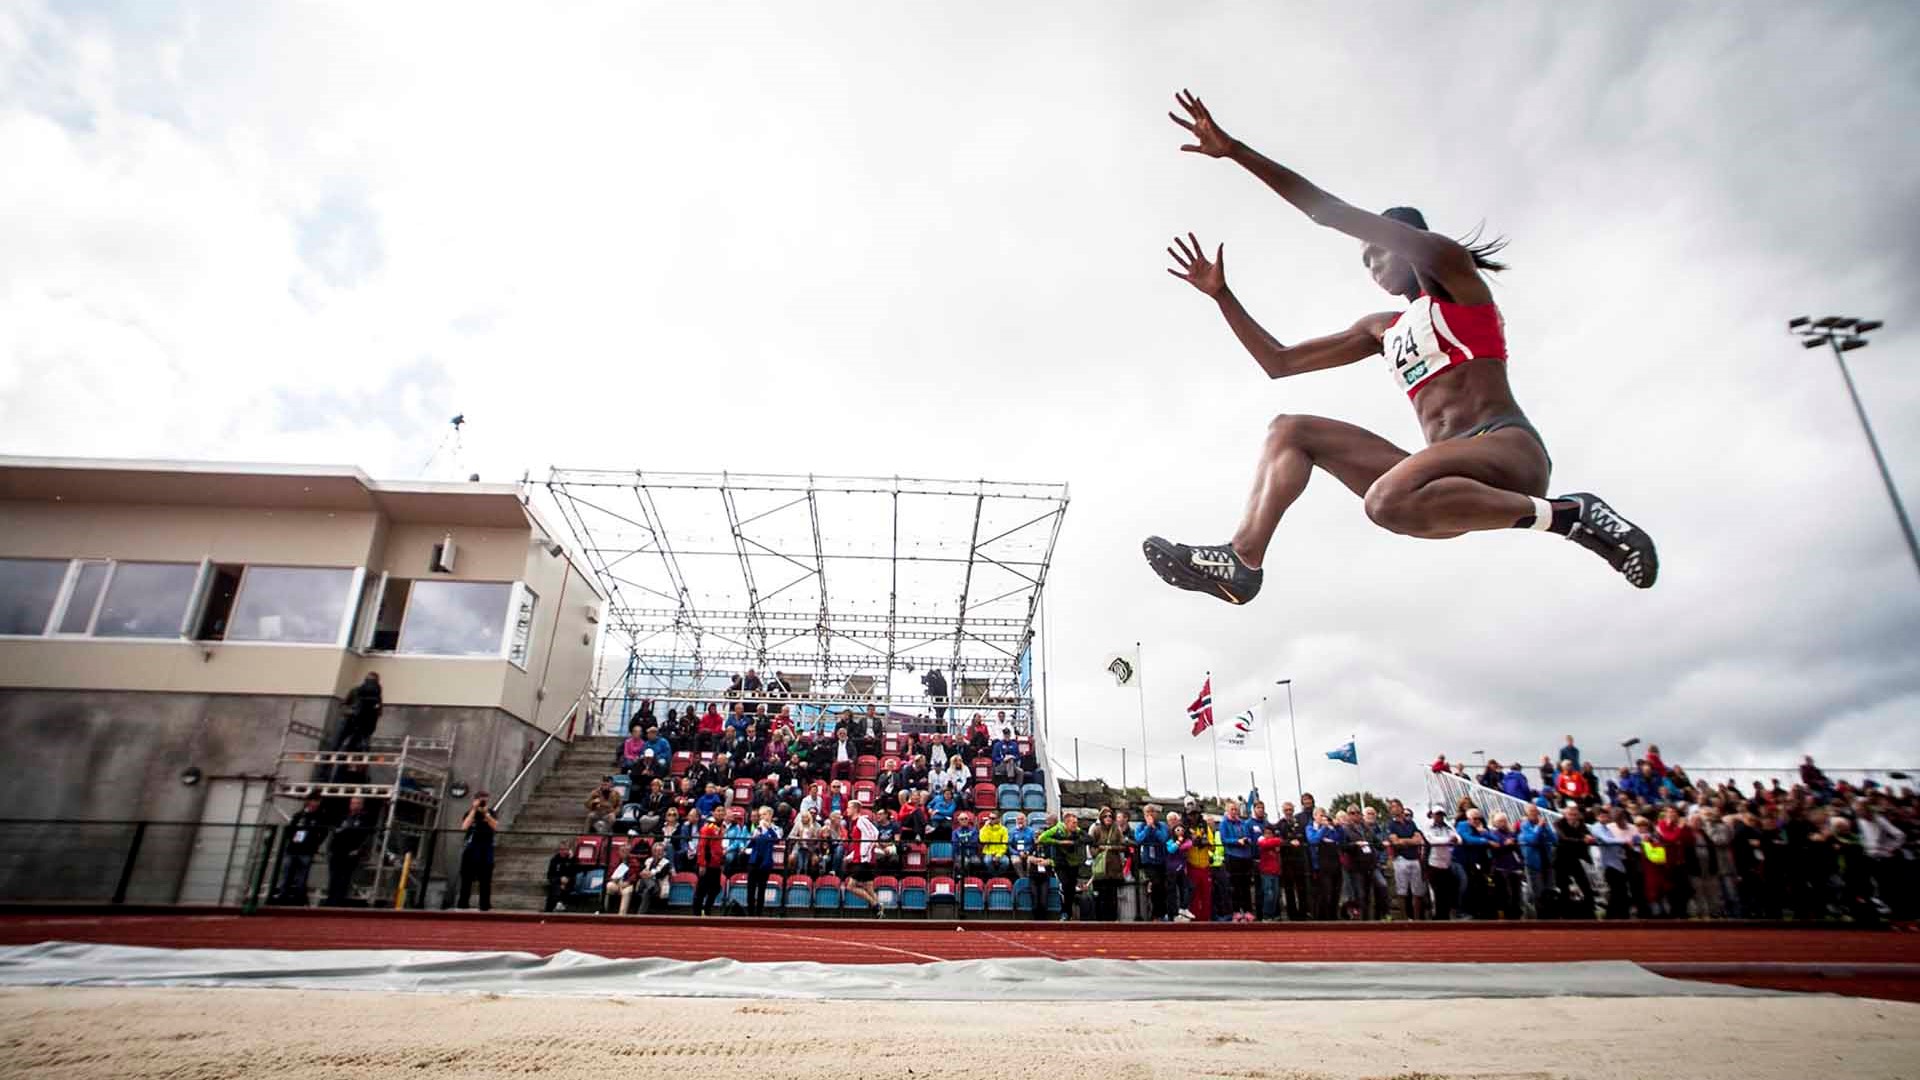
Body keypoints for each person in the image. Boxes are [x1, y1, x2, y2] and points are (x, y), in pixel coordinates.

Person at [1143, 90, 1657, 605]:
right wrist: (1222, 296)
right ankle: (1242, 560)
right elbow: (1278, 362)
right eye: (1363, 261)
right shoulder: (1381, 328)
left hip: (1505, 451)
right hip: (1443, 481)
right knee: (1291, 431)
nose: (1370, 265)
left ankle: (1571, 515)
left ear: (1409, 242)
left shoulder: (1454, 279)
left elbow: (1327, 213)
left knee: (1384, 500)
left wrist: (1234, 151)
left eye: (1376, 251)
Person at [271, 795, 327, 905]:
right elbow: (289, 829)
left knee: (302, 876)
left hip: (306, 851)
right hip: (292, 849)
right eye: (313, 801)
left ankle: (298, 899)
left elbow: (324, 833)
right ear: (308, 801)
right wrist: (293, 839)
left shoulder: (320, 817)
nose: (314, 804)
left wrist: (315, 844)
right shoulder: (299, 815)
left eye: (317, 801)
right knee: (286, 873)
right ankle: (282, 897)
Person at [325, 796, 376, 906]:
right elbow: (333, 833)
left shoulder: (365, 819)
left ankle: (338, 901)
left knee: (344, 878)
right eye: (353, 803)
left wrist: (359, 850)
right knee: (333, 877)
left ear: (362, 805)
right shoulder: (343, 817)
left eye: (357, 803)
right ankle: (330, 900)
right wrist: (329, 849)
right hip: (337, 852)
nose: (355, 805)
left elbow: (368, 836)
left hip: (351, 853)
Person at [1036, 811, 1086, 922]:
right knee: (1065, 885)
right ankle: (1065, 912)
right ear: (1066, 823)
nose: (1075, 825)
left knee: (1071, 888)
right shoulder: (1057, 830)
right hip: (1060, 864)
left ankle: (1068, 913)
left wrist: (1076, 841)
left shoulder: (1077, 831)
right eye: (1073, 823)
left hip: (1073, 863)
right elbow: (1042, 838)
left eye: (1076, 823)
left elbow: (1089, 839)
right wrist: (1059, 842)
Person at [454, 793, 498, 911]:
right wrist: (474, 810)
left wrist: (485, 813)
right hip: (471, 848)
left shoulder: (491, 812)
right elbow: (464, 826)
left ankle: (485, 905)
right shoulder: (469, 813)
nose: (482, 803)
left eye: (485, 801)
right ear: (475, 800)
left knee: (485, 879)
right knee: (466, 878)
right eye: (480, 800)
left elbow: (495, 826)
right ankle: (463, 904)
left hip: (486, 849)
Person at [1385, 802, 1426, 921]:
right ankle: (1403, 919)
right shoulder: (1391, 824)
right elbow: (1395, 842)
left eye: (1396, 806)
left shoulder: (1411, 823)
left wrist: (1404, 841)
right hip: (1400, 859)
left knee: (1417, 891)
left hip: (1414, 858)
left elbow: (1419, 840)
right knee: (1401, 891)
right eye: (1392, 807)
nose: (1394, 809)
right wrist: (1410, 840)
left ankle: (1417, 919)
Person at [1087, 807, 1129, 922]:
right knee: (1100, 895)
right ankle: (1100, 920)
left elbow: (1123, 846)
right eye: (1105, 816)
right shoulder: (1095, 829)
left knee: (1112, 896)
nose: (1108, 818)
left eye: (1110, 816)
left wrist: (1110, 848)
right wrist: (1099, 851)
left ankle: (1112, 919)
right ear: (1101, 817)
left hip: (1114, 867)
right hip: (1101, 867)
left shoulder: (1117, 830)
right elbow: (1091, 846)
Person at [328, 673, 383, 753]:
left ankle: (338, 764)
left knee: (349, 749)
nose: (371, 684)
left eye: (373, 681)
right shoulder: (356, 691)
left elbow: (378, 713)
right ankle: (326, 764)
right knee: (335, 745)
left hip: (362, 724)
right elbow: (343, 705)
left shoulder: (376, 696)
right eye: (370, 680)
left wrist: (370, 716)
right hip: (349, 720)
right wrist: (350, 712)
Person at [845, 805, 884, 916]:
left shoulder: (861, 820)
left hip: (863, 860)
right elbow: (859, 844)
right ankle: (880, 911)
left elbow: (874, 834)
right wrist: (850, 857)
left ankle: (874, 904)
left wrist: (865, 853)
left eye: (849, 808)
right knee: (868, 887)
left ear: (855, 809)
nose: (847, 810)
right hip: (860, 858)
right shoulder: (855, 823)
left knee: (851, 886)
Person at [745, 807, 780, 917]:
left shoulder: (776, 828)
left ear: (770, 815)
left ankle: (759, 914)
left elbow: (777, 839)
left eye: (764, 814)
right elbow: (750, 844)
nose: (762, 817)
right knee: (750, 888)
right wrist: (753, 837)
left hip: (765, 862)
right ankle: (750, 913)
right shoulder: (757, 829)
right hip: (754, 860)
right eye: (761, 815)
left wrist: (769, 828)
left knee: (761, 888)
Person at [692, 810, 725, 916]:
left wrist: (721, 861)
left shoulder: (719, 827)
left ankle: (706, 910)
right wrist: (702, 864)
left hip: (716, 863)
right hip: (707, 863)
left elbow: (718, 846)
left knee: (715, 888)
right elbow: (702, 846)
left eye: (722, 812)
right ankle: (697, 913)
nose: (720, 814)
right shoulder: (709, 827)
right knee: (701, 889)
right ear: (713, 813)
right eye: (718, 811)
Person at [544, 840, 577, 913]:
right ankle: (549, 911)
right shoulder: (554, 860)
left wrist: (571, 859)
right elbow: (550, 876)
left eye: (565, 849)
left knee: (563, 889)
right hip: (556, 883)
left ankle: (558, 906)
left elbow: (574, 874)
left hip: (569, 883)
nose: (563, 851)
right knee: (556, 889)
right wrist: (559, 880)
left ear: (568, 850)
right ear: (559, 850)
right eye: (561, 849)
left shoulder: (572, 859)